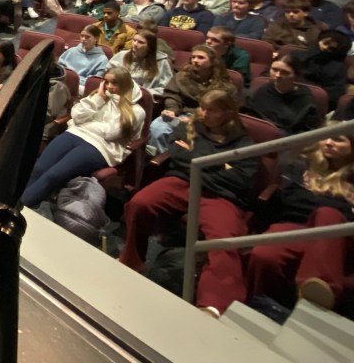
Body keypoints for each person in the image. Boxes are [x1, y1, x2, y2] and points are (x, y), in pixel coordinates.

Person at [119, 90, 256, 318]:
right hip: (182, 181)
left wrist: (195, 155)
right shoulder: (188, 126)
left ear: (227, 113)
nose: (203, 113)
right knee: (140, 203)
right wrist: (221, 164)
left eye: (211, 110)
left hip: (219, 194)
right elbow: (178, 155)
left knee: (224, 238)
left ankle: (213, 304)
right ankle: (132, 260)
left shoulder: (245, 142)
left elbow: (240, 179)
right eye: (202, 107)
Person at [247, 127, 354, 311]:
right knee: (265, 254)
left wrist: (318, 200)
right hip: (296, 225)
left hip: (336, 236)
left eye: (337, 139)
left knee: (327, 214)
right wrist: (341, 204)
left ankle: (314, 304)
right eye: (325, 137)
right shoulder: (301, 164)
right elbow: (292, 201)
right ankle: (262, 309)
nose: (328, 142)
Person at [21, 66, 145, 208]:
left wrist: (87, 124)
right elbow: (77, 116)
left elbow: (110, 133)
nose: (109, 87)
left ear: (125, 84)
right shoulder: (98, 96)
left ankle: (22, 207)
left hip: (100, 146)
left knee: (54, 175)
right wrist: (98, 99)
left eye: (114, 83)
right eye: (106, 82)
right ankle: (18, 204)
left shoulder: (136, 111)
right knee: (39, 168)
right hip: (75, 133)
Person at [150, 45, 237, 153]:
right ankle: (160, 158)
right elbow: (173, 96)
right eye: (193, 57)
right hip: (180, 114)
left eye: (200, 57)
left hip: (208, 121)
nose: (195, 60)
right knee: (158, 127)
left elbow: (227, 113)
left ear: (213, 62)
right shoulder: (182, 77)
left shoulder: (226, 87)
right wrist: (172, 110)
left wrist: (195, 119)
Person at [244, 55, 321, 135]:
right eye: (274, 70)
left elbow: (306, 134)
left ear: (296, 76)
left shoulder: (306, 102)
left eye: (285, 72)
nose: (277, 75)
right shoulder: (261, 91)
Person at [109, 30, 174, 97]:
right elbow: (107, 76)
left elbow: (166, 88)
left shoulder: (161, 62)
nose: (135, 44)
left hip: (145, 98)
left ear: (150, 47)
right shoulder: (121, 56)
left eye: (141, 42)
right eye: (134, 40)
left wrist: (143, 93)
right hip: (119, 95)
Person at [58, 24, 110, 93]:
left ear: (96, 39)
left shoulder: (102, 59)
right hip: (63, 81)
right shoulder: (71, 50)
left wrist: (74, 79)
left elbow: (94, 82)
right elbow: (59, 67)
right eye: (82, 36)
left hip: (81, 87)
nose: (83, 39)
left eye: (87, 37)